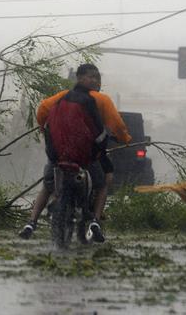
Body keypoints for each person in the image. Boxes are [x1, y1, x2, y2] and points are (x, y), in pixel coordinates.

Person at [18, 64, 131, 242]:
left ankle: (32, 221)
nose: (95, 81)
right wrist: (125, 139)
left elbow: (42, 110)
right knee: (103, 183)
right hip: (86, 157)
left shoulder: (62, 97)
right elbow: (117, 125)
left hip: (60, 155)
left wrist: (44, 128)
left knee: (48, 186)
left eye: (97, 78)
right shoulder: (101, 99)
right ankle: (95, 221)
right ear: (80, 78)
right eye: (91, 77)